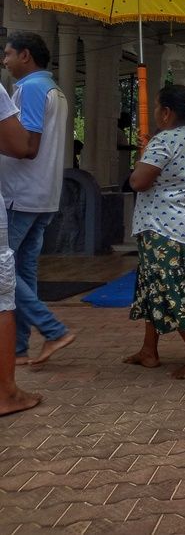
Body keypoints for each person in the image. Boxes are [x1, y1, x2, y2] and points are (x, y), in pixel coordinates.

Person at [125, 85, 185, 379]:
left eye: (156, 108)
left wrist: (144, 157)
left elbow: (138, 181)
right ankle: (149, 350)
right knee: (157, 286)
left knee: (169, 291)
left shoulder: (165, 141)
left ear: (166, 112)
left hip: (161, 227)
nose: (154, 113)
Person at [0, 33, 74, 367]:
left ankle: (52, 329)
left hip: (22, 192)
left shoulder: (29, 88)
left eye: (8, 54)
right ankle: (18, 348)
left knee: (5, 273)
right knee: (23, 272)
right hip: (43, 193)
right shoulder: (54, 90)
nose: (5, 61)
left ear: (25, 56)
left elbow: (27, 147)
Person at [0, 85, 41, 415]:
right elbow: (19, 144)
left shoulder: (33, 89)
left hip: (29, 195)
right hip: (33, 194)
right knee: (2, 294)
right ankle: (6, 393)